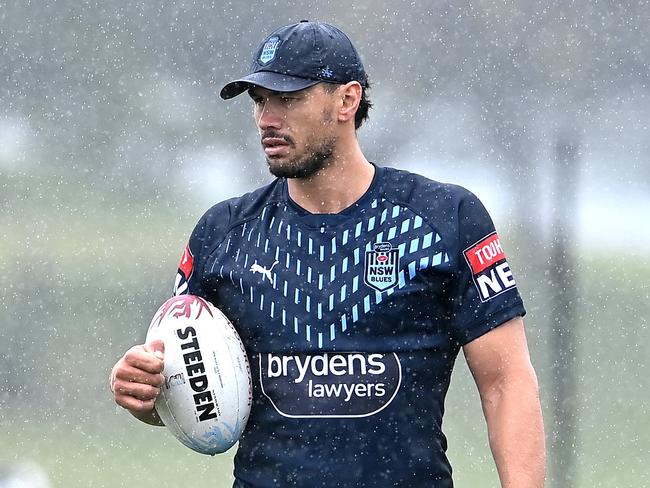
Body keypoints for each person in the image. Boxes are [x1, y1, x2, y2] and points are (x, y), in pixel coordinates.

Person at [110, 20, 545, 487]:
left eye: (288, 99)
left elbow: (506, 384)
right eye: (260, 100)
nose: (266, 118)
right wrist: (147, 392)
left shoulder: (445, 217)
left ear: (347, 100)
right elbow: (198, 392)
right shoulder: (222, 234)